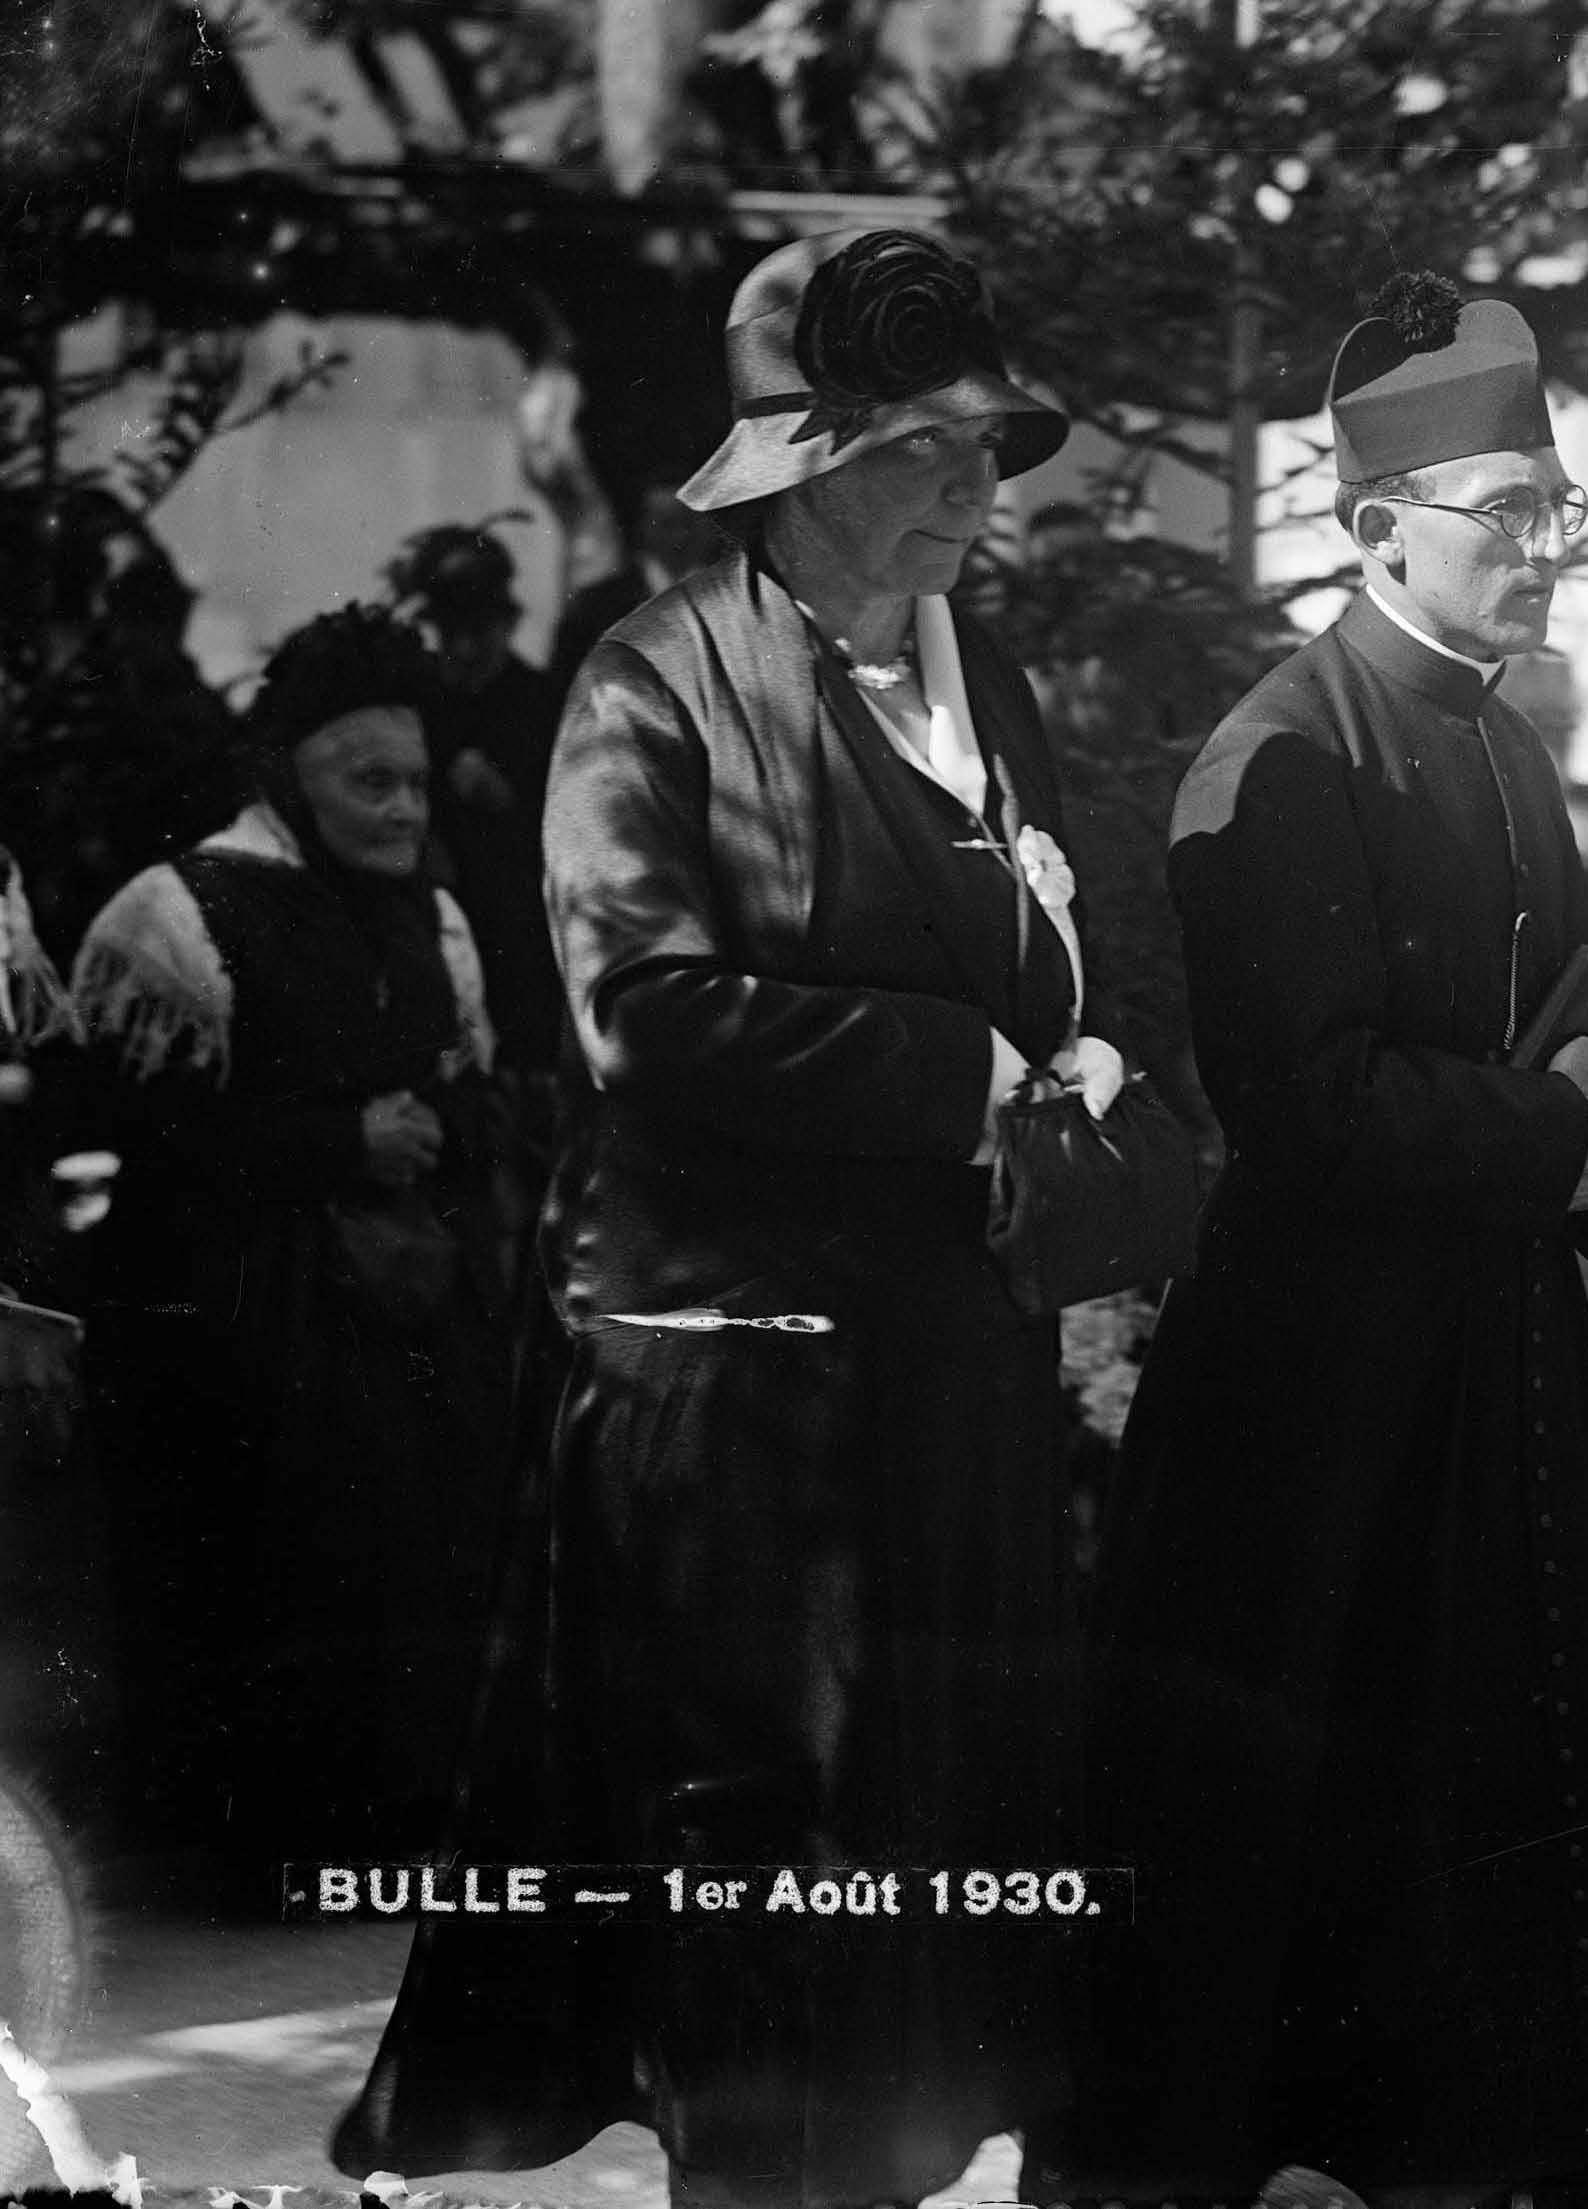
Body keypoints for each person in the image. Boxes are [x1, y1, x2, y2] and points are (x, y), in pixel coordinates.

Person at [333, 226, 1113, 2208]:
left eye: (987, 451)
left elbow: (1049, 950)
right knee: (756, 1828)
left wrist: (1086, 1067)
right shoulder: (654, 678)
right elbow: (642, 1013)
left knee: (931, 1832)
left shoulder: (979, 680)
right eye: (932, 453)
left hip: (941, 1351)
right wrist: (972, 1076)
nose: (977, 492)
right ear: (811, 464)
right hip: (727, 1366)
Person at [1067, 273, 1588, 2208]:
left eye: (1555, 509)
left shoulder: (1501, 741)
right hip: (1320, 1376)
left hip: (1490, 1345)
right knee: (1312, 1768)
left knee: (1484, 1759)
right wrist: (1559, 1129)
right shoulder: (1276, 756)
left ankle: (1491, 2131)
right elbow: (1306, 1097)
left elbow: (1568, 1005)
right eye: (1502, 513)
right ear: (1377, 529)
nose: (1545, 548)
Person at [67, 603, 512, 1882]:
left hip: (406, 1327)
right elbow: (132, 1143)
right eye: (369, 780)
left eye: (417, 782)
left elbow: (479, 1094)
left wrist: (443, 1128)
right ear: (288, 776)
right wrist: (334, 1143)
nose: (402, 809)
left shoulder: (432, 917)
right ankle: (247, 1852)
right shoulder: (180, 913)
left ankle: (390, 1836)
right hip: (249, 1335)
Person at [387, 520, 568, 1076]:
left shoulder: (546, 705)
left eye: (479, 629)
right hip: (425, 933)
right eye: (450, 630)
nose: (464, 649)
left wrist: (511, 803)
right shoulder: (415, 701)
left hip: (519, 942)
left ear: (509, 623)